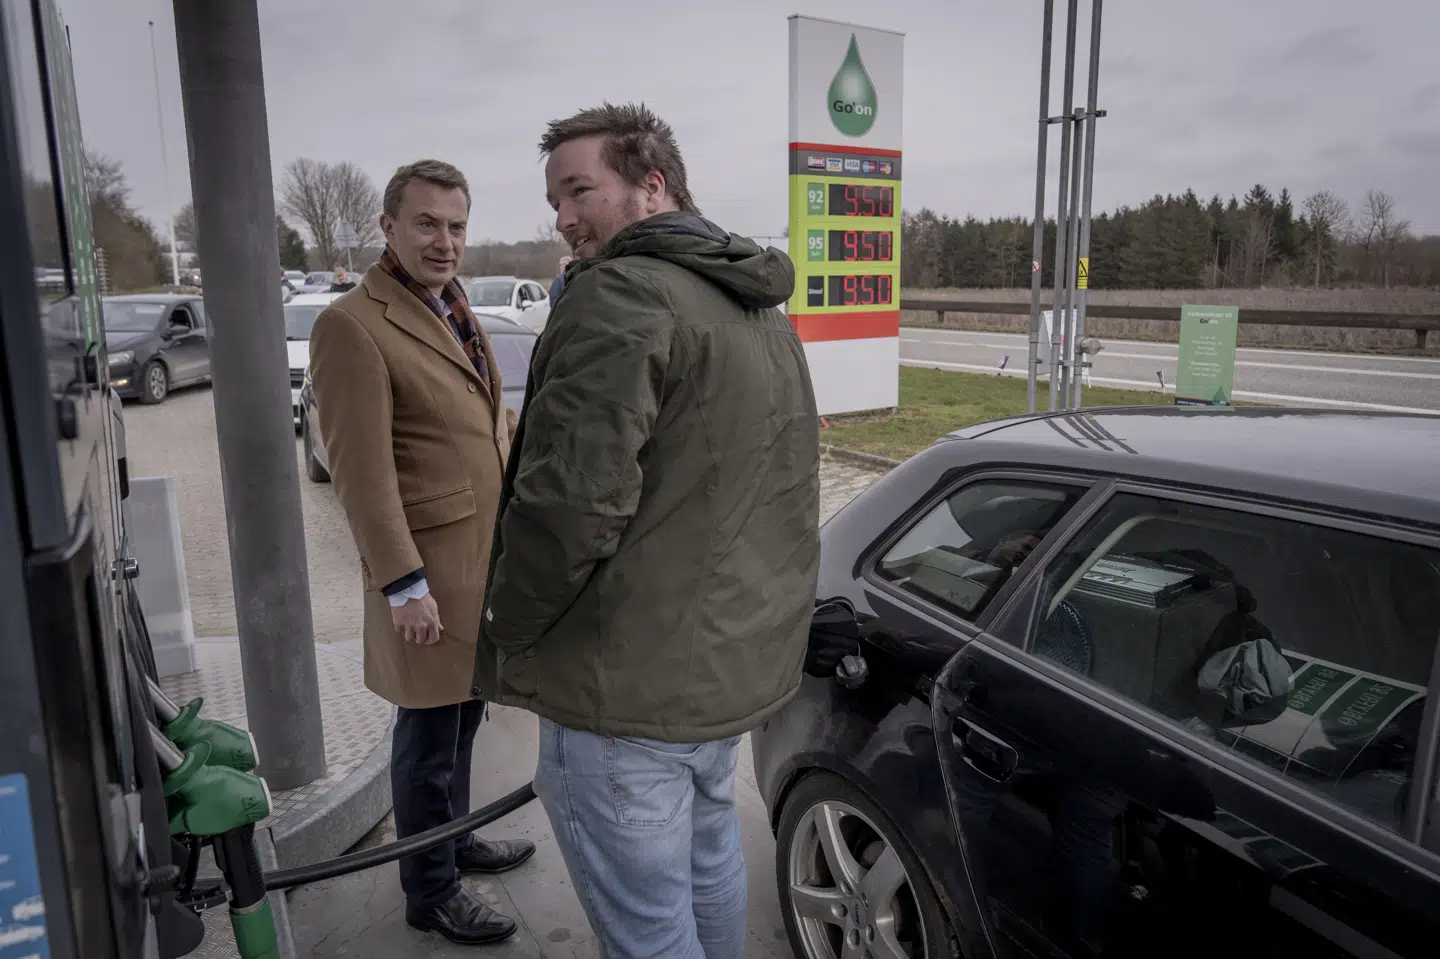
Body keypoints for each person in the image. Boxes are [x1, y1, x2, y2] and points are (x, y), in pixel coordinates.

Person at [475, 103, 821, 958]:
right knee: (710, 863)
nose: (562, 218)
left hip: (624, 689)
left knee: (647, 929)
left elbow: (568, 506)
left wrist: (507, 624)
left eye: (578, 191)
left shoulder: (621, 294)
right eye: (554, 201)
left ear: (652, 183)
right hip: (719, 676)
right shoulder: (759, 309)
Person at [308, 159, 532, 947]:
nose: (445, 241)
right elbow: (361, 476)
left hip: (477, 568)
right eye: (427, 223)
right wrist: (403, 585)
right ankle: (430, 889)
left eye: (457, 226)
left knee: (464, 720)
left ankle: (456, 839)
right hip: (427, 578)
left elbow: (487, 424)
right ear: (388, 227)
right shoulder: (352, 325)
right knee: (428, 738)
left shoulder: (453, 306)